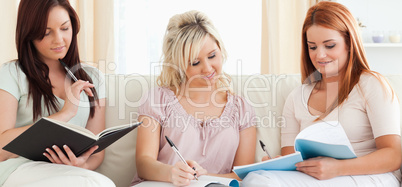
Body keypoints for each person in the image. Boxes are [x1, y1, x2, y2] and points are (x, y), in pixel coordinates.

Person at [242, 1, 401, 187]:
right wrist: (277, 166)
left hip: (370, 177)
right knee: (257, 178)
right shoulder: (296, 97)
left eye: (330, 45)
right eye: (313, 47)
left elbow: (394, 155)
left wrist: (338, 168)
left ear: (349, 43)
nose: (320, 55)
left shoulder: (371, 84)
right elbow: (290, 158)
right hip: (317, 179)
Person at [131, 10, 256, 186]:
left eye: (212, 56)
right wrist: (171, 173)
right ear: (178, 65)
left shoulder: (242, 109)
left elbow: (242, 175)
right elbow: (143, 163)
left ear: (220, 49)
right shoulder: (157, 99)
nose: (207, 69)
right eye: (195, 63)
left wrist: (206, 177)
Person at [0, 0, 115, 186]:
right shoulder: (12, 74)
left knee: (103, 184)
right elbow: (1, 148)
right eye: (46, 33)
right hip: (19, 170)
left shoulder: (93, 78)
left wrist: (80, 165)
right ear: (29, 33)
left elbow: (97, 150)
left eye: (65, 28)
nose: (59, 39)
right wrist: (65, 113)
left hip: (70, 172)